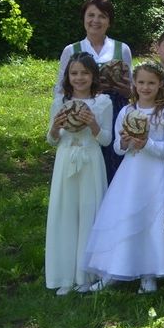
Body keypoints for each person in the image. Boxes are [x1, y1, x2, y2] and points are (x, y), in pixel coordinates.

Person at [83, 62, 164, 293]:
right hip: (130, 174)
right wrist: (125, 142)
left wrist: (148, 144)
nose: (145, 87)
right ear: (134, 84)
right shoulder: (126, 111)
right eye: (141, 82)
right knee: (123, 216)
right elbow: (117, 147)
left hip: (154, 173)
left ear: (160, 85)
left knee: (152, 220)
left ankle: (149, 272)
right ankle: (114, 270)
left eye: (151, 83)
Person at [45, 52, 112, 295]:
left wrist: (92, 123)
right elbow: (51, 140)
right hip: (65, 160)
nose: (79, 77)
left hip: (90, 160)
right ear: (68, 76)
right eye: (74, 73)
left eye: (84, 73)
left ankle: (86, 275)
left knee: (88, 213)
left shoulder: (103, 102)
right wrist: (55, 126)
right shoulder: (60, 101)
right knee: (65, 213)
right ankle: (64, 276)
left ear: (93, 75)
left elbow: (106, 140)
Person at [56, 0, 133, 183]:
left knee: (113, 164)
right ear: (83, 18)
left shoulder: (121, 49)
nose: (95, 20)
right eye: (91, 15)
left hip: (114, 111)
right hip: (81, 111)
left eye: (102, 16)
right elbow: (60, 88)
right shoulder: (71, 50)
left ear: (109, 21)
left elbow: (131, 87)